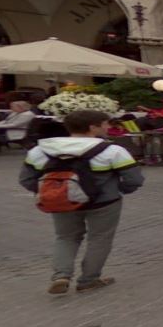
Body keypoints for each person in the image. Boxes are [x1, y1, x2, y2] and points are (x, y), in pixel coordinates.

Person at [20, 109, 144, 294]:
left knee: (66, 237)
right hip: (104, 202)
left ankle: (61, 275)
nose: (108, 127)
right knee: (99, 239)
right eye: (105, 124)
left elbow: (26, 179)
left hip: (61, 202)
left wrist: (52, 192)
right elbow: (134, 179)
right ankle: (89, 279)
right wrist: (121, 190)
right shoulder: (113, 151)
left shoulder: (40, 150)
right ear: (93, 127)